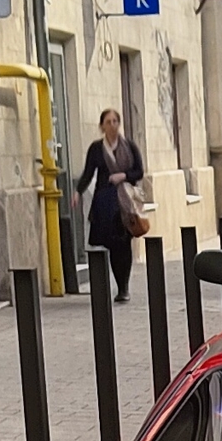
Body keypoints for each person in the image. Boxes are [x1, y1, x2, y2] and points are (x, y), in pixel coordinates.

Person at [74, 106, 146, 301]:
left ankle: (124, 287)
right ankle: (119, 284)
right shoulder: (96, 149)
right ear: (102, 126)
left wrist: (124, 175)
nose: (112, 125)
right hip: (106, 204)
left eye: (115, 121)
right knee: (113, 246)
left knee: (125, 243)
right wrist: (78, 192)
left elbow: (139, 171)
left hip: (126, 204)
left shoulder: (129, 147)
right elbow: (88, 173)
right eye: (108, 122)